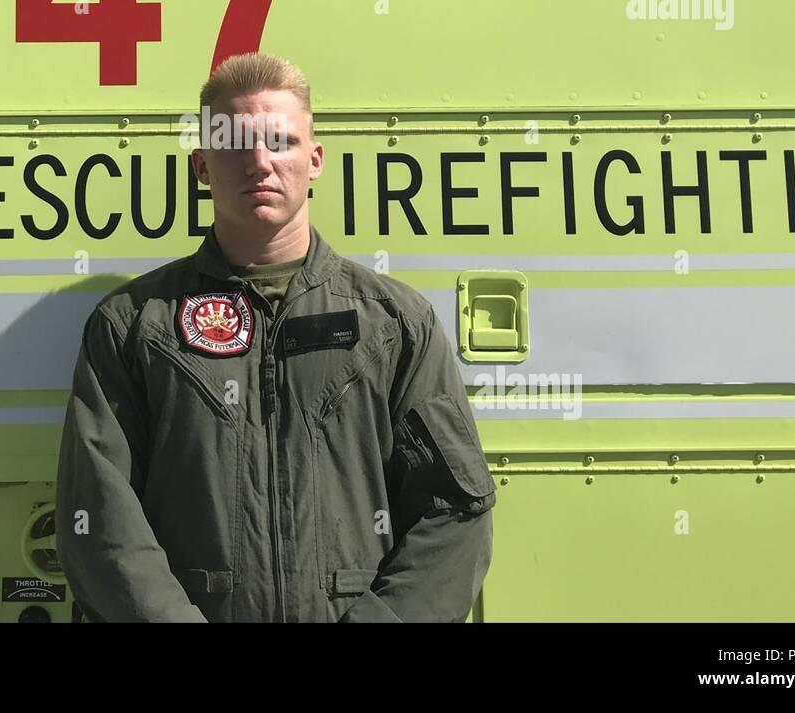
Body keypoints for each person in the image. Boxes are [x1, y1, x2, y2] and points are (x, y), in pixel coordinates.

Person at [55, 52, 495, 622]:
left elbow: (456, 508)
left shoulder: (393, 323)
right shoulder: (135, 325)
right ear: (202, 166)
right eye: (235, 145)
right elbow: (98, 515)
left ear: (314, 161)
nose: (259, 162)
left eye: (279, 141)